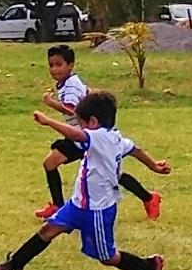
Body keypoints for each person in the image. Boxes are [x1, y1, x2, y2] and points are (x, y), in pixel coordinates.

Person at [0, 91, 170, 270]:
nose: (80, 127)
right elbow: (134, 149)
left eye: (81, 122)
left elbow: (76, 135)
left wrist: (49, 122)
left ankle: (150, 266)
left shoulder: (99, 137)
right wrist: (153, 165)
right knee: (48, 230)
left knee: (107, 257)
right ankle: (14, 265)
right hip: (78, 204)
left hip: (97, 210)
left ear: (94, 122)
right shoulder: (115, 137)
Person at [32, 45, 162, 219]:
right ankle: (58, 206)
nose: (54, 69)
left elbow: (72, 110)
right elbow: (87, 95)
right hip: (80, 137)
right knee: (51, 164)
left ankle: (149, 198)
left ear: (70, 65)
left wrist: (50, 103)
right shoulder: (71, 82)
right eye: (51, 65)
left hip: (89, 137)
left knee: (112, 175)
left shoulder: (70, 86)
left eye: (59, 64)